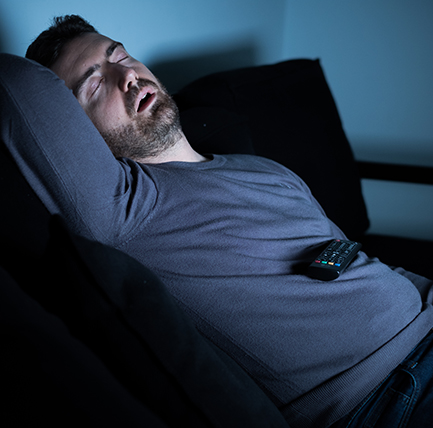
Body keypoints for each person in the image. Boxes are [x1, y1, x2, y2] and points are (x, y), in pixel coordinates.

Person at [1, 14, 433, 428]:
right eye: (95, 86)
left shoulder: (262, 167)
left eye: (120, 56)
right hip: (388, 395)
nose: (126, 77)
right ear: (74, 130)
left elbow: (354, 259)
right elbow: (18, 84)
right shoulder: (125, 206)